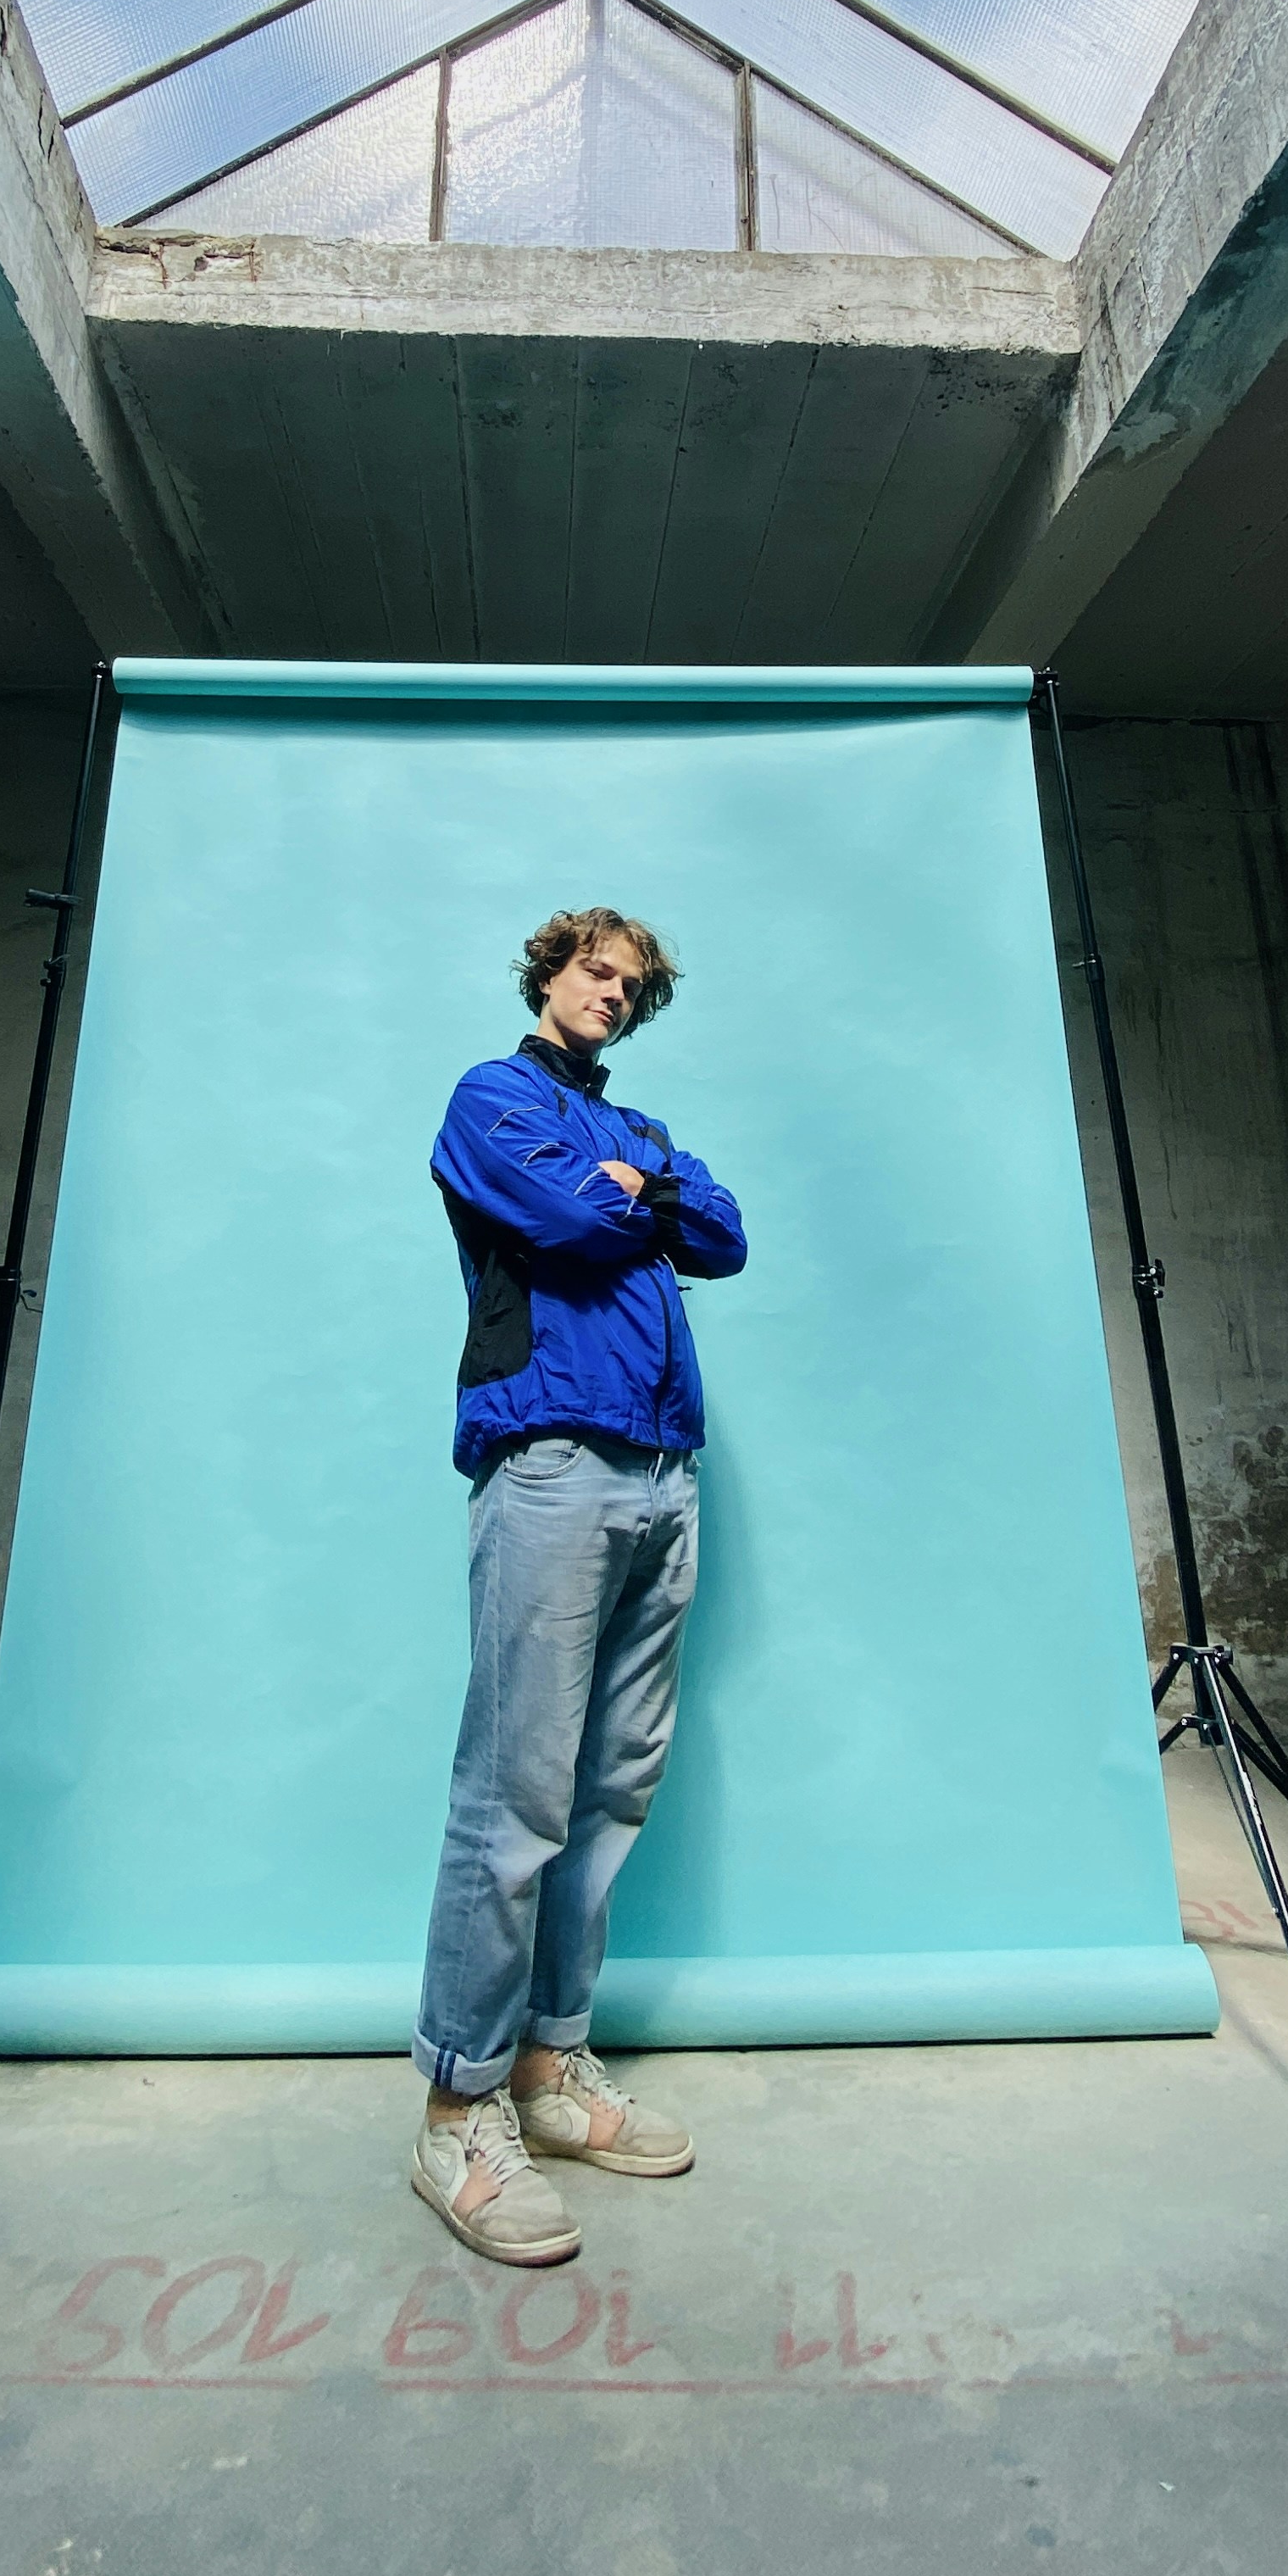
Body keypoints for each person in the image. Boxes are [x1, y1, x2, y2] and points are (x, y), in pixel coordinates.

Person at [409, 906, 747, 2266]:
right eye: (595, 971)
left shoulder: (646, 1134)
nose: (612, 993)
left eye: (633, 984)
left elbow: (718, 1233)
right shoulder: (491, 1099)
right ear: (550, 974)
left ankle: (551, 2074)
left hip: (666, 1478)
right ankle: (456, 2110)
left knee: (611, 1788)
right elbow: (559, 1215)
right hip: (551, 1466)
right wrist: (617, 1198)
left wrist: (640, 1189)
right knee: (516, 1797)